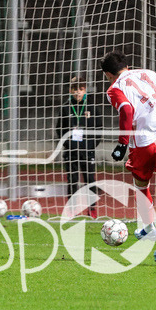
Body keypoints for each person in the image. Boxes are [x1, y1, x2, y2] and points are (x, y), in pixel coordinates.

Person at [101, 49, 156, 265]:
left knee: (141, 185)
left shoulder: (115, 88)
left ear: (108, 74)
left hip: (143, 142)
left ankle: (149, 226)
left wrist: (122, 144)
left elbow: (127, 111)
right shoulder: (152, 74)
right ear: (126, 65)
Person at [56, 75, 99, 218]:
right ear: (70, 90)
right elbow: (59, 129)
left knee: (90, 180)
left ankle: (92, 209)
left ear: (85, 90)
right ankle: (71, 209)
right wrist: (68, 144)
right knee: (72, 180)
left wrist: (92, 145)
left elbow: (99, 128)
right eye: (75, 89)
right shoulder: (65, 108)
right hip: (71, 152)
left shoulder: (92, 107)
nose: (77, 93)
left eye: (80, 89)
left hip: (87, 151)